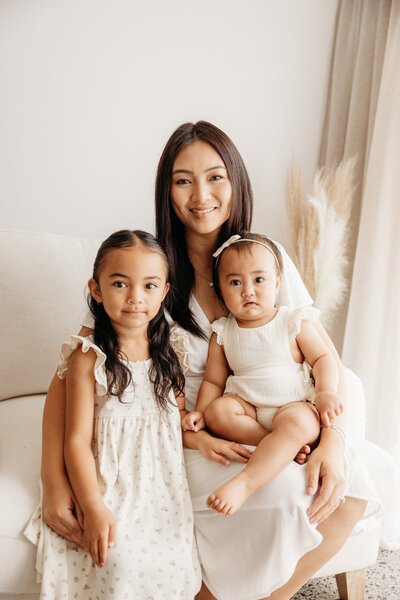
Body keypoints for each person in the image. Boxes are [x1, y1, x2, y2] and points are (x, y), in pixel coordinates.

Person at [40, 122, 380, 600]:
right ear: (167, 190)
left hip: (280, 417)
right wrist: (52, 481)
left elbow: (321, 351)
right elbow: (72, 364)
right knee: (284, 492)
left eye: (215, 176)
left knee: (356, 482)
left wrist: (333, 441)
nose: (201, 194)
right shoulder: (152, 269)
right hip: (193, 432)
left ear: (235, 181)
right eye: (183, 180)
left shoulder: (266, 257)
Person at [24, 230, 201, 599]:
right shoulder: (89, 357)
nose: (136, 297)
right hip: (109, 483)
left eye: (149, 286)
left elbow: (178, 420)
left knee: (170, 565)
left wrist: (209, 437)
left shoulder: (174, 351)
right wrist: (92, 505)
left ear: (164, 292)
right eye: (120, 283)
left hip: (161, 487)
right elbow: (75, 440)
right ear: (97, 289)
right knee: (118, 561)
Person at [182, 232, 344, 517]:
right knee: (219, 413)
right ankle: (281, 446)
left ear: (277, 283)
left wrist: (326, 392)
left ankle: (245, 483)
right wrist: (201, 411)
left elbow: (323, 359)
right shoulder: (223, 332)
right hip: (248, 408)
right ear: (220, 290)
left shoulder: (292, 321)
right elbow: (213, 381)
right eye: (235, 282)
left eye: (259, 280)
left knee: (297, 423)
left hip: (293, 406)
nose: (248, 290)